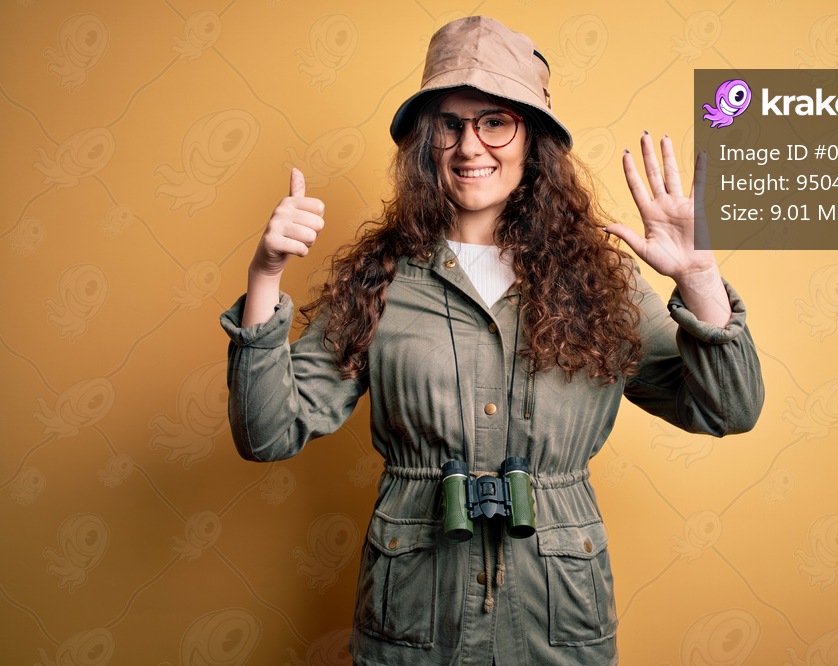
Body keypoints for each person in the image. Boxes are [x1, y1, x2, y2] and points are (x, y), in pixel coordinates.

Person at [221, 16, 763, 666]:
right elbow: (266, 435)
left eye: (495, 121)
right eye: (449, 124)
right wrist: (265, 276)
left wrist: (699, 278)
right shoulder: (378, 278)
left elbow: (729, 410)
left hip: (556, 620)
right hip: (415, 620)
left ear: (532, 139)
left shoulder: (601, 280)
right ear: (426, 143)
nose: (469, 145)